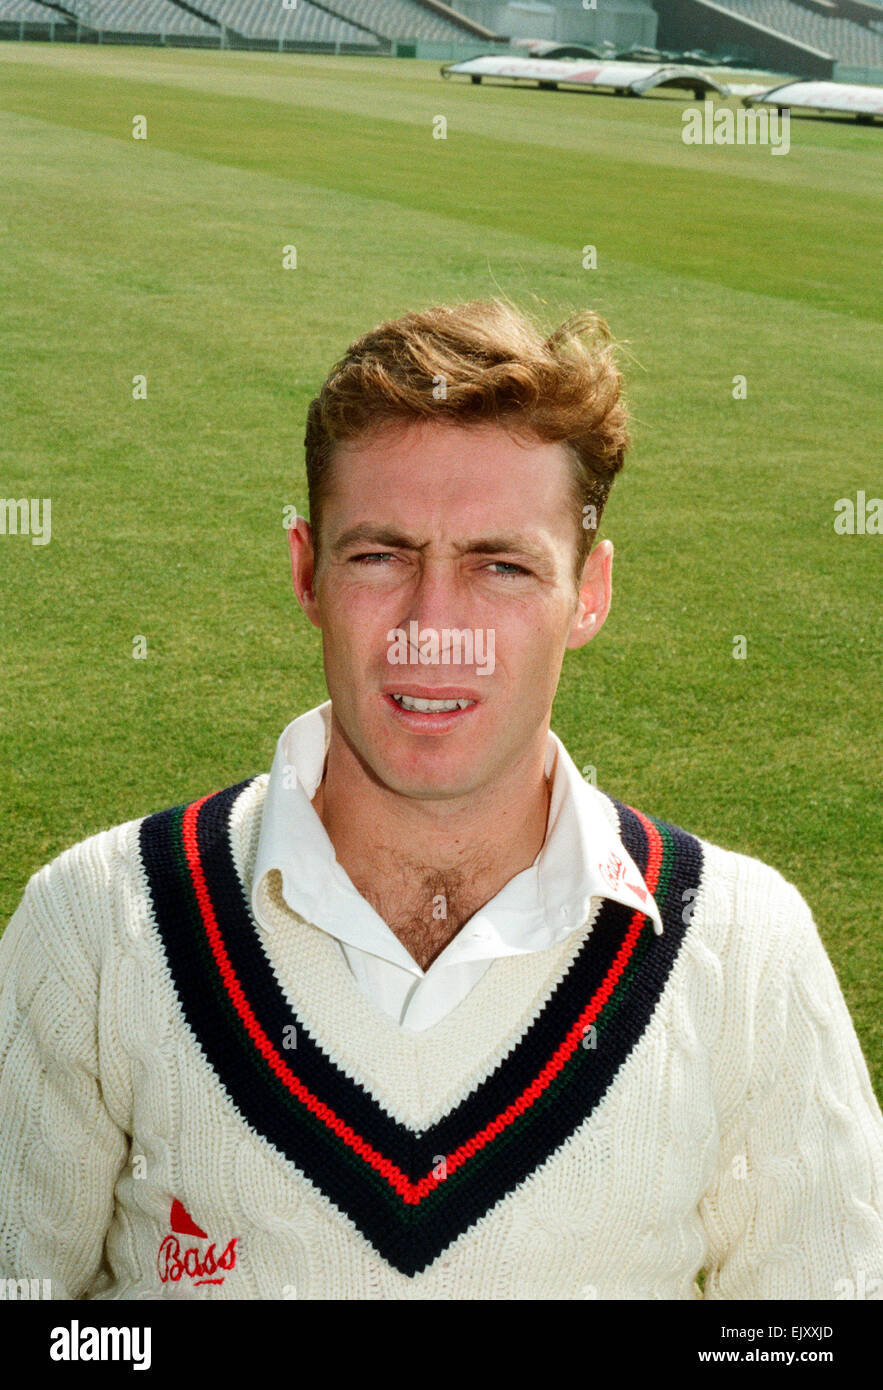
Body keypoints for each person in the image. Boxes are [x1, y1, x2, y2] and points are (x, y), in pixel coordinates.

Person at [1, 299, 881, 1300]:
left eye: (499, 566)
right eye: (380, 556)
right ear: (306, 572)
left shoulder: (741, 945)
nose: (434, 628)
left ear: (588, 593)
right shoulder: (97, 927)